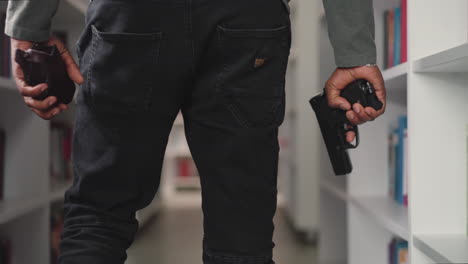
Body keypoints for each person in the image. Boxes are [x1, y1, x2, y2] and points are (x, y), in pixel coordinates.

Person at [5, 0, 385, 263]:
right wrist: (354, 51)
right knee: (243, 227)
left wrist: (29, 28)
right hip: (248, 19)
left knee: (98, 214)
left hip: (130, 17)